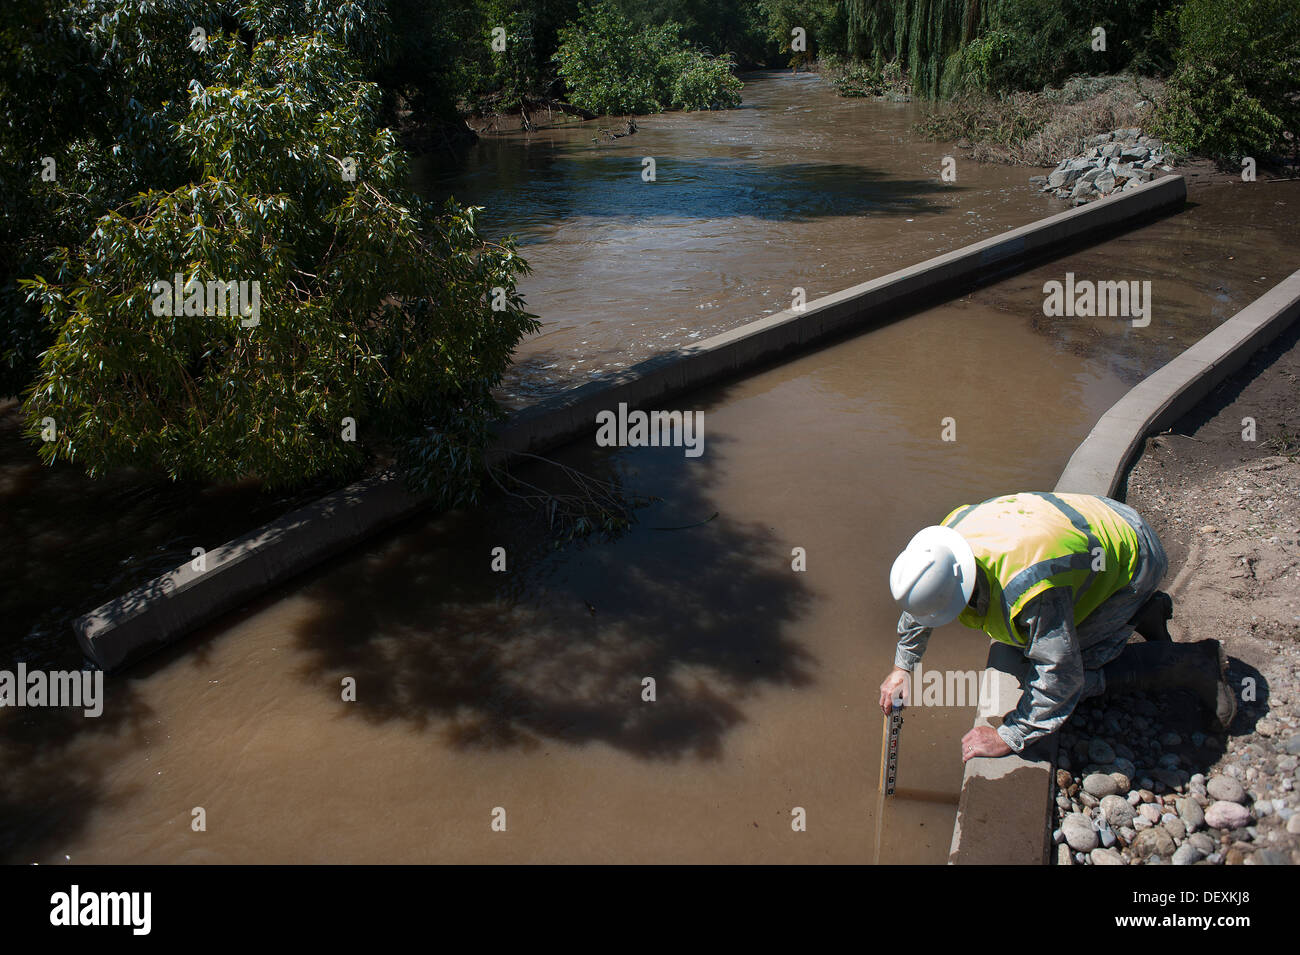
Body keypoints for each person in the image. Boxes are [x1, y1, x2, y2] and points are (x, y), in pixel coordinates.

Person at [877, 491, 1235, 762]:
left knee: (1074, 673)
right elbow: (923, 603)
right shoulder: (946, 541)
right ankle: (1141, 611)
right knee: (1026, 641)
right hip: (1105, 520)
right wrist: (902, 667)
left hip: (1136, 557)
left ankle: (1193, 662)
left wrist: (1011, 734)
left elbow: (1061, 677)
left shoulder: (1028, 587)